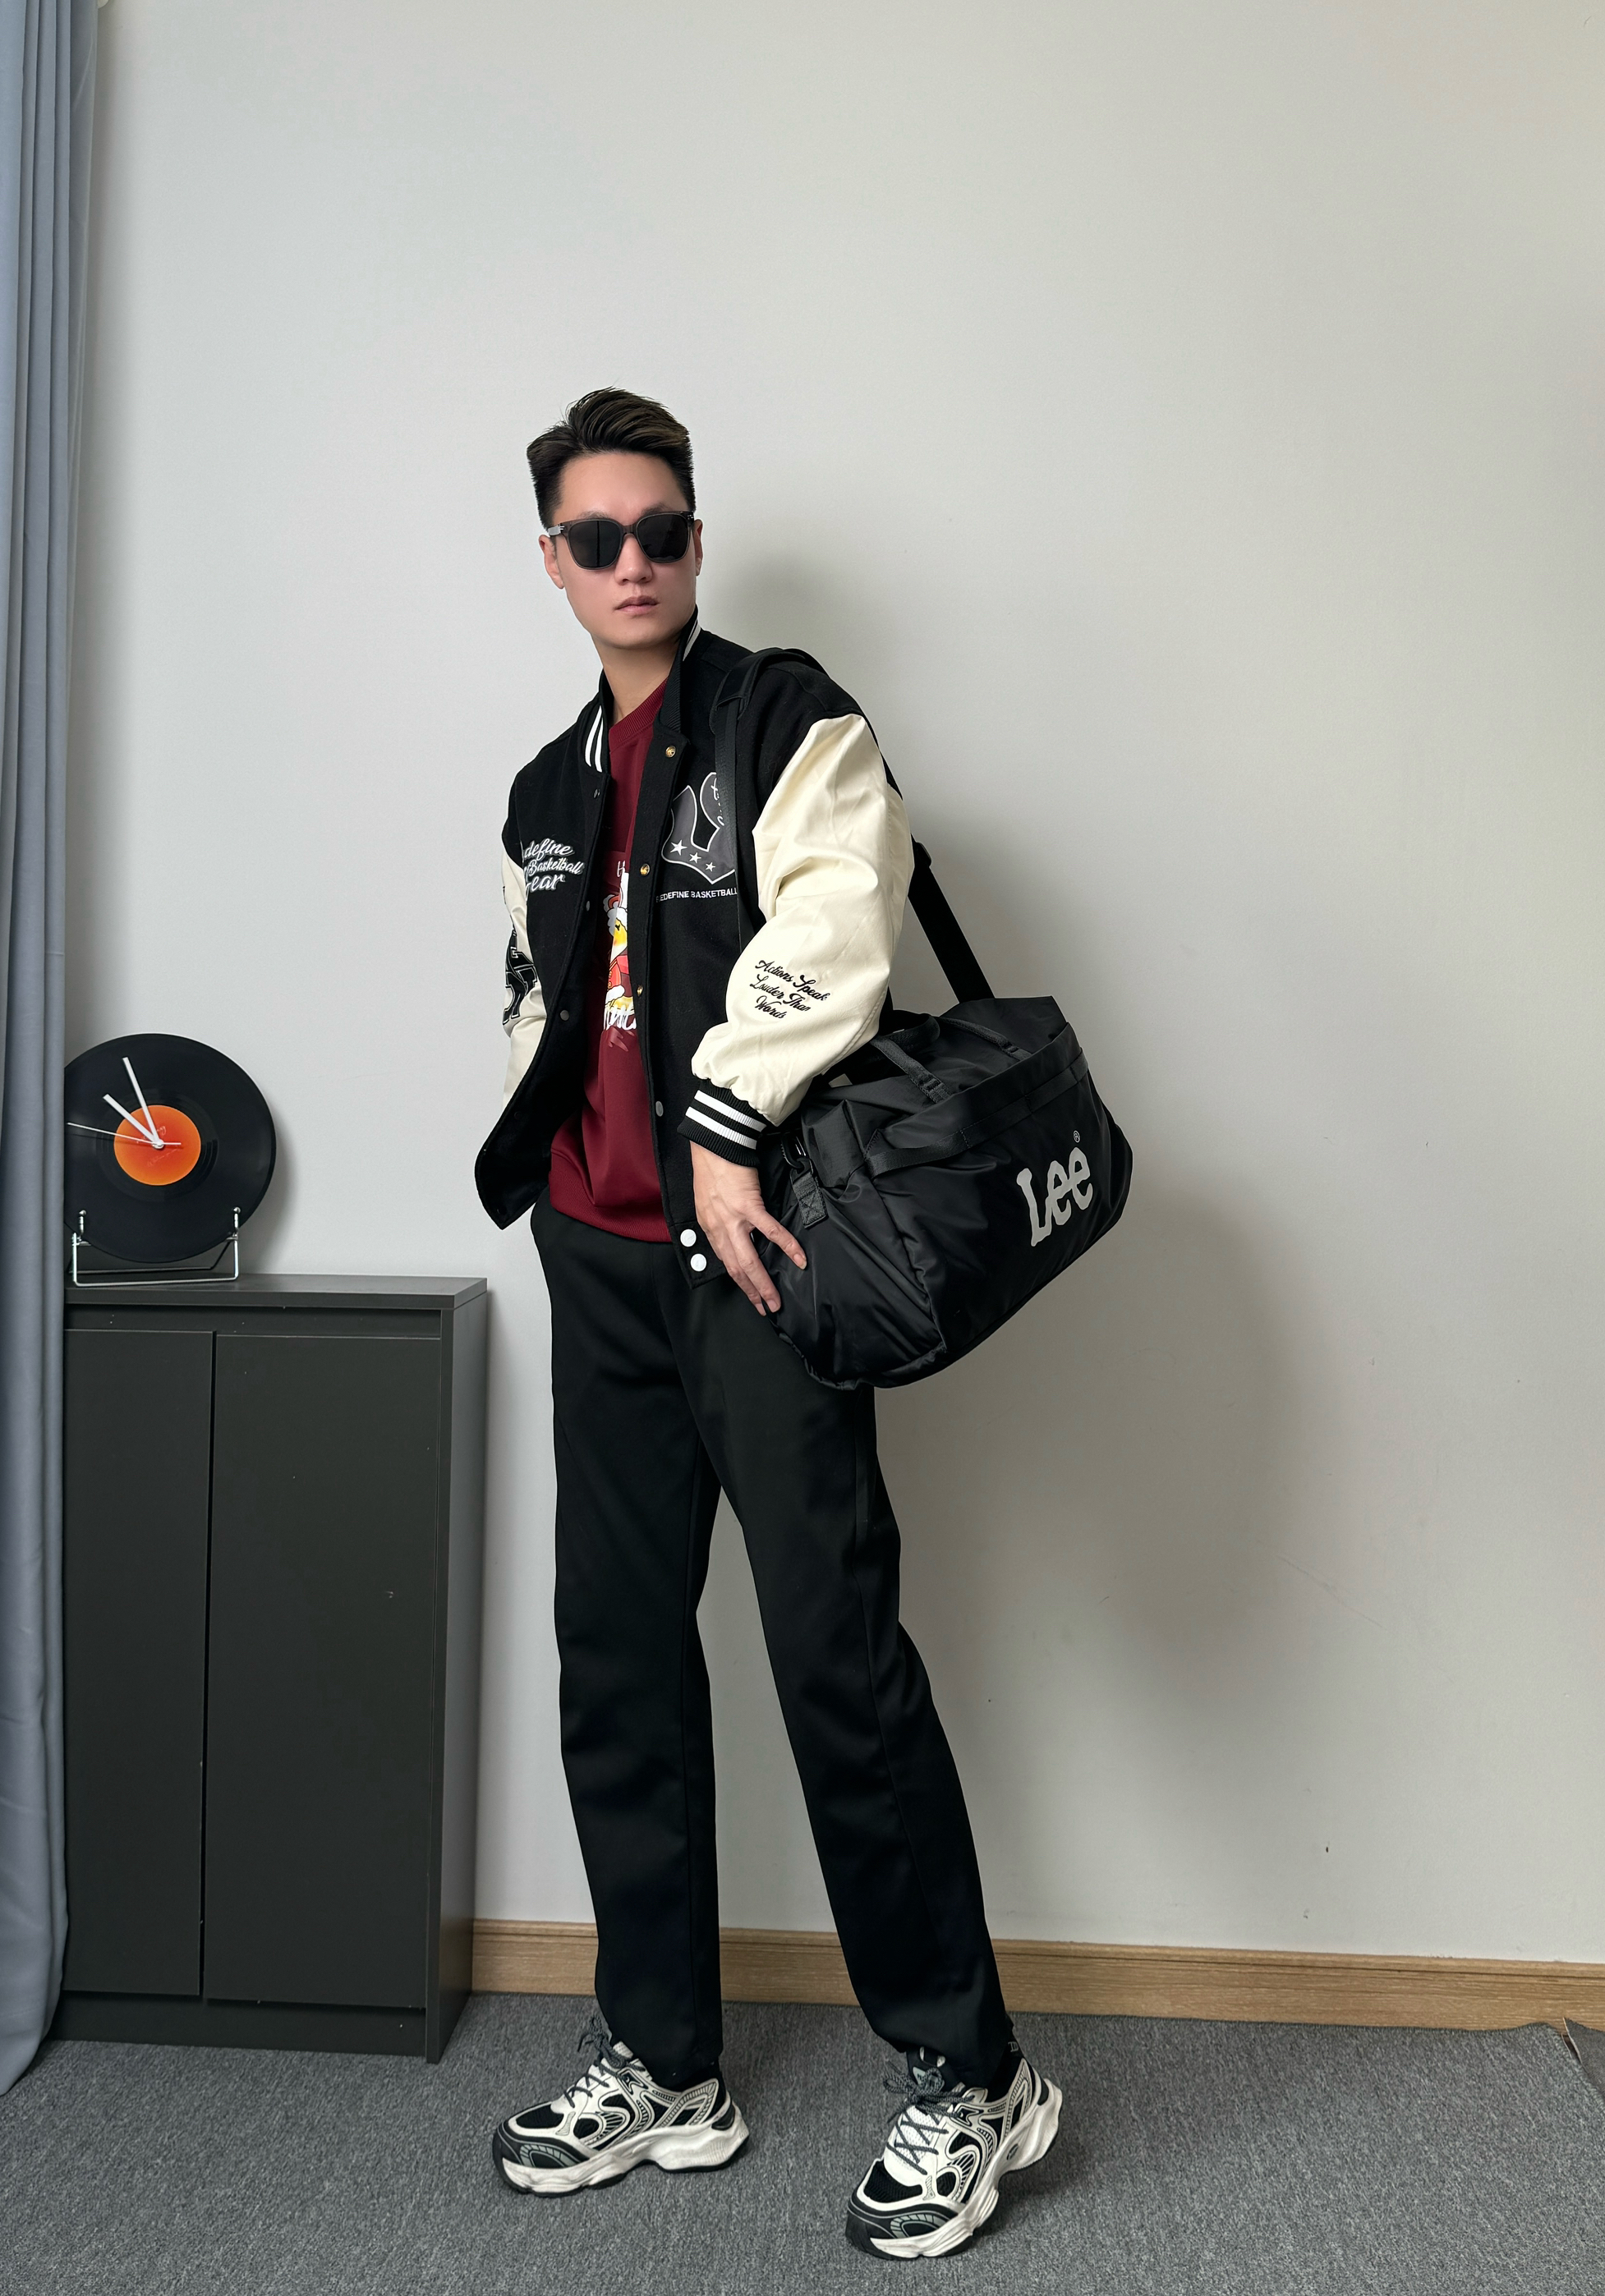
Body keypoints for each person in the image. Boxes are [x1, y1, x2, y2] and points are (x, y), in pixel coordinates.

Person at [474, 388, 1060, 2259]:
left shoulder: (786, 720)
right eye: (597, 538)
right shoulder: (543, 790)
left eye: (661, 530)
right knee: (616, 1663)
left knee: (834, 1661)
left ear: (697, 542)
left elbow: (839, 927)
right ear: (552, 562)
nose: (633, 562)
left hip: (757, 1256)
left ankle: (973, 2074)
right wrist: (553, 1163)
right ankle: (666, 2062)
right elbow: (541, 992)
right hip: (600, 1266)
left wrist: (722, 1131)